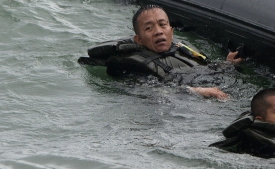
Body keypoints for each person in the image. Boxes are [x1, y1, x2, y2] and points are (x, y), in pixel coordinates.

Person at [78, 5, 241, 99]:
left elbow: (206, 69)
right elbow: (153, 91)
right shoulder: (134, 66)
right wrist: (198, 92)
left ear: (171, 31)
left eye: (163, 25)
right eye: (149, 28)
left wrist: (228, 63)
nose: (158, 32)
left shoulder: (182, 49)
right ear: (139, 39)